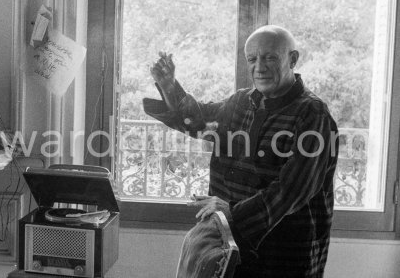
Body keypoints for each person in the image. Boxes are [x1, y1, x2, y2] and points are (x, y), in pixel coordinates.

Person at [144, 25, 338, 278]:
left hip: (286, 254)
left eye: (270, 57)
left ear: (293, 59)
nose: (260, 67)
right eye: (252, 59)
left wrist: (231, 212)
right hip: (233, 247)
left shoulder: (312, 114)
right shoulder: (241, 101)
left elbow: (291, 191)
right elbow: (200, 123)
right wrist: (169, 86)